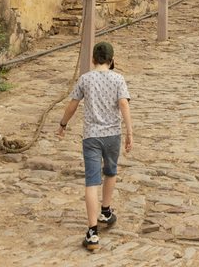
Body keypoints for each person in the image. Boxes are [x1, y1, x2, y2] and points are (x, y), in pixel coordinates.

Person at [57, 42, 134, 252]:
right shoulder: (118, 79)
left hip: (91, 137)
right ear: (111, 60)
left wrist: (63, 124)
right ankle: (106, 211)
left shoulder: (85, 79)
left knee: (92, 181)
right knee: (111, 172)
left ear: (93, 59)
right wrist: (129, 132)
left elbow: (72, 104)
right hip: (112, 135)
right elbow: (124, 104)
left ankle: (92, 233)